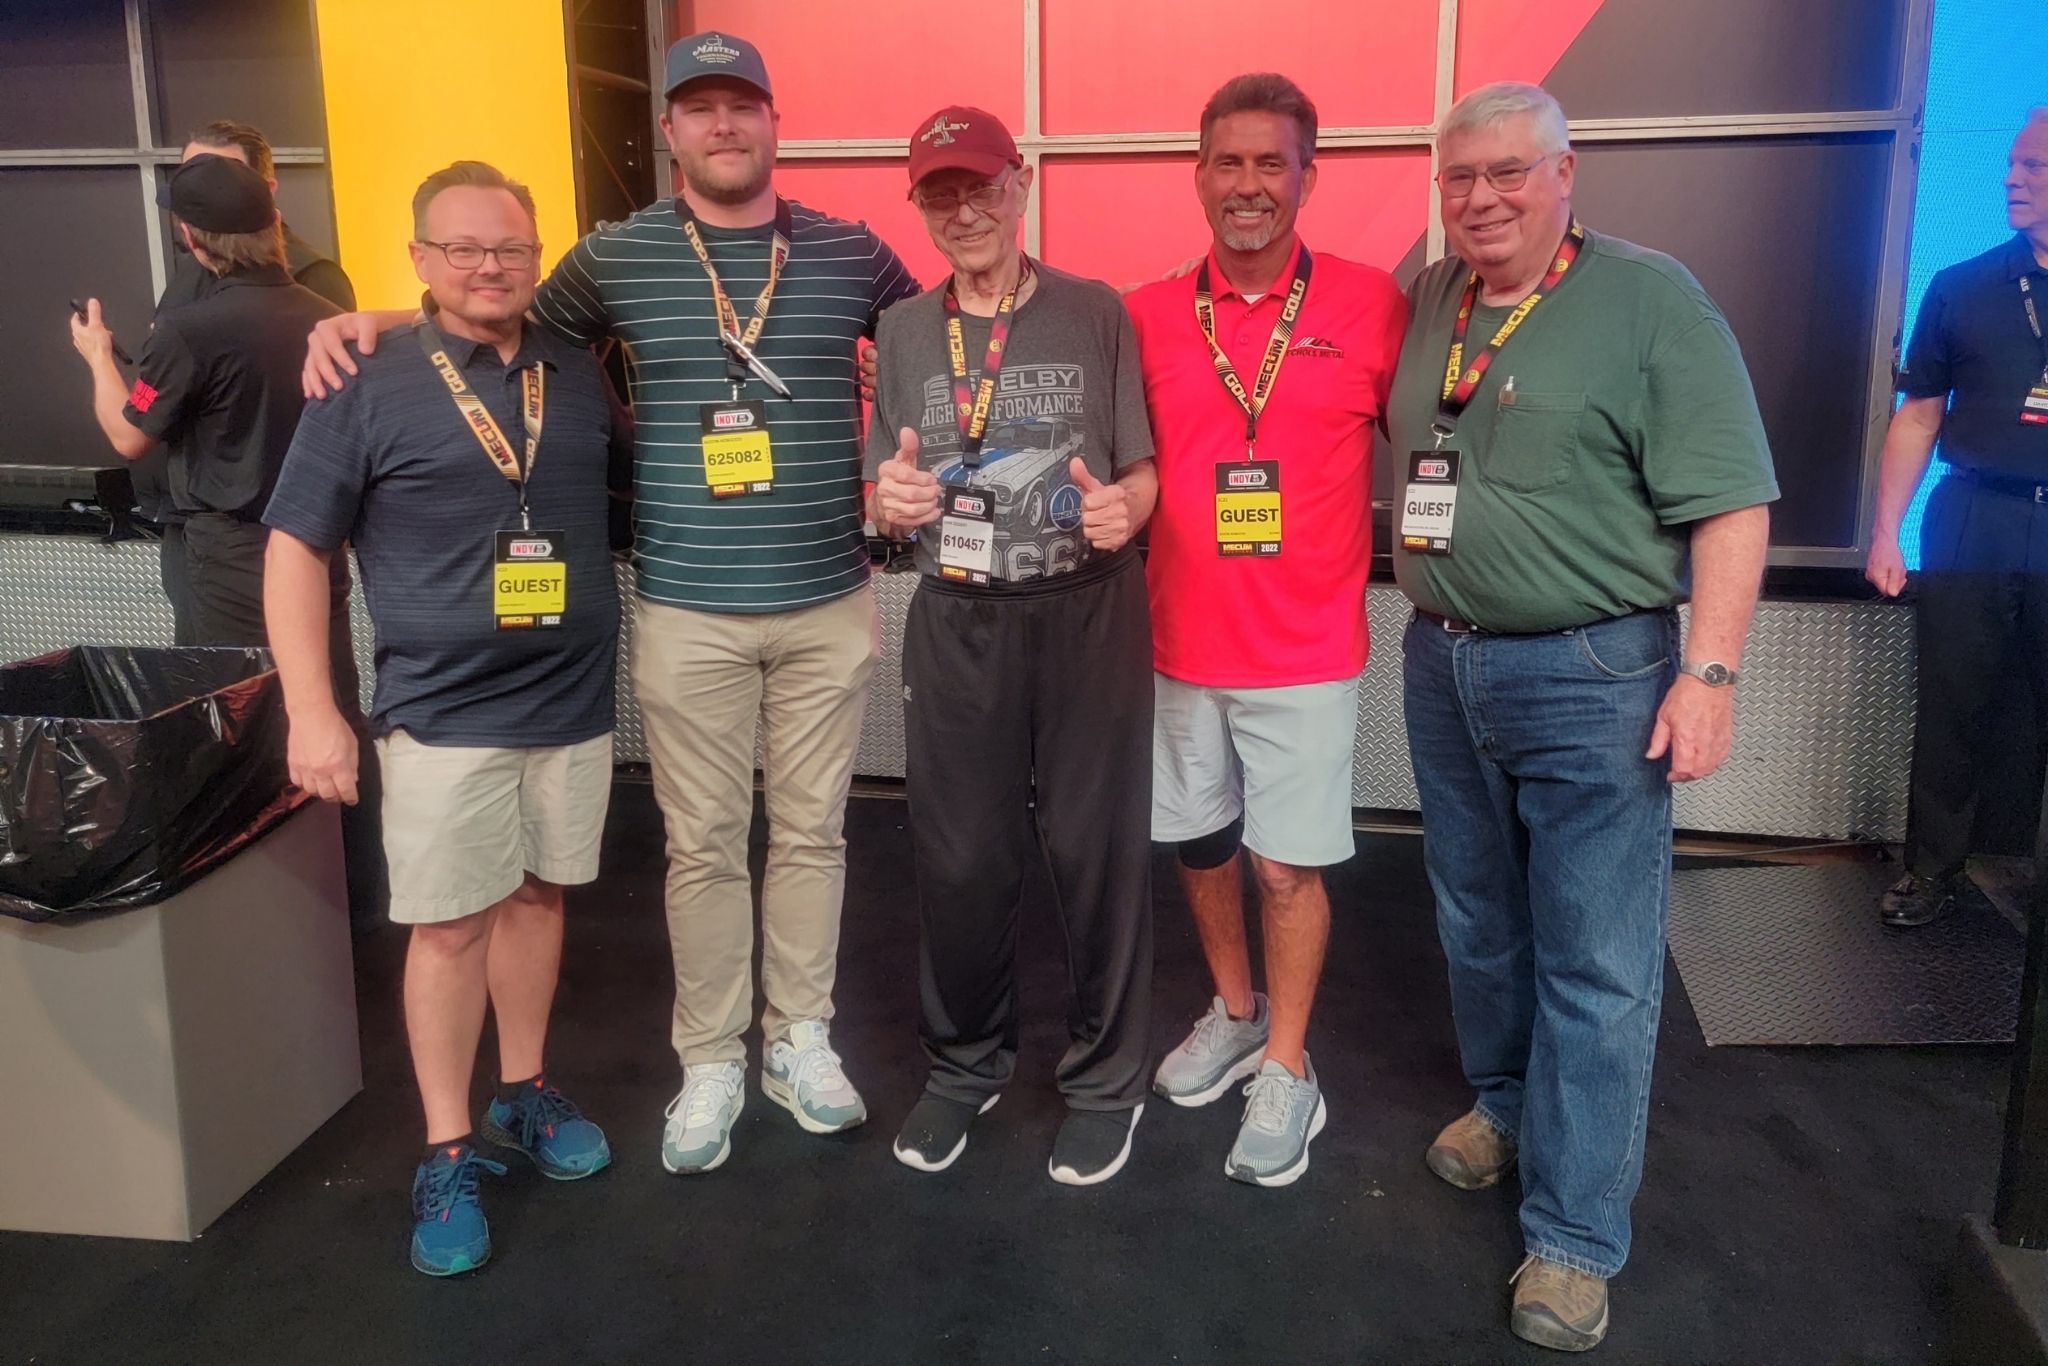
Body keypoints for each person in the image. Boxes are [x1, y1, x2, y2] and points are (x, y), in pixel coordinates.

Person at [302, 31, 919, 1174]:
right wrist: (376, 320)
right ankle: (711, 1060)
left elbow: (934, 345)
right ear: (671, 132)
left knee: (811, 836)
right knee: (698, 848)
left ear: (776, 125)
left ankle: (800, 1039)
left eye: (744, 105)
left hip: (829, 595)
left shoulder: (848, 253)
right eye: (701, 108)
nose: (724, 125)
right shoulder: (618, 255)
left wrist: (900, 466)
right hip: (685, 606)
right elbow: (493, 314)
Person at [1386, 82, 1777, 1352]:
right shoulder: (1431, 295)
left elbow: (1729, 502)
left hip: (1595, 675)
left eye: (1508, 173)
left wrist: (1706, 675)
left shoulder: (1648, 300)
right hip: (1442, 665)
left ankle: (1570, 1235)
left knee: (1596, 961)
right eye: (1459, 180)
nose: (1481, 199)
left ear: (1566, 174)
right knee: (1476, 920)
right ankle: (1504, 1107)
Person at [264, 161, 622, 1277]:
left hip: (569, 703)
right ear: (417, 259)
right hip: (439, 714)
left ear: (535, 257)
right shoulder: (365, 382)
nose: (487, 267)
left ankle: (521, 1091)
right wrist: (313, 711)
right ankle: (446, 1143)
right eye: (461, 248)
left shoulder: (572, 367)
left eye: (509, 249)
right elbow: (294, 548)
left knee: (536, 896)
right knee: (450, 925)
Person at [866, 106, 1158, 1185]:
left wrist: (1128, 507)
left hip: (1086, 611)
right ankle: (963, 1067)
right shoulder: (901, 331)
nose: (962, 209)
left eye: (979, 185)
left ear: (1021, 182)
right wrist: (887, 499)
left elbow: (1141, 467)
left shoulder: (1093, 311)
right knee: (958, 854)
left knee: (1095, 851)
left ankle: (1102, 1079)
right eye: (939, 194)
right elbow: (881, 485)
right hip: (955, 615)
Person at [1124, 74, 1407, 1188]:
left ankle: (1288, 1064)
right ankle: (1235, 1012)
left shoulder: (1369, 304)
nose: (1248, 185)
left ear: (1305, 177)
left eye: (1269, 164)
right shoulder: (1144, 313)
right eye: (1227, 163)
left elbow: (1448, 434)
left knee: (1286, 870)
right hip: (1176, 644)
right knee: (1198, 848)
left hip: (1303, 653)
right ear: (1197, 174)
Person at [69, 152, 386, 930]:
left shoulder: (186, 330)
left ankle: (257, 903)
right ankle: (352, 895)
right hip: (321, 557)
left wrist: (97, 357)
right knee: (327, 708)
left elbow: (129, 433)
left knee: (230, 725)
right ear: (273, 225)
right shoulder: (327, 316)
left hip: (230, 561)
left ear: (191, 238)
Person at [1866, 107, 2048, 928]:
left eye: (2034, 167)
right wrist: (1884, 532)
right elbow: (1918, 415)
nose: (2012, 177)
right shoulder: (1963, 284)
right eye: (2013, 164)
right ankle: (1930, 869)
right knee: (1953, 703)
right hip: (1976, 512)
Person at [138, 119, 357, 628]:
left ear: (266, 192)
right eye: (195, 173)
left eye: (223, 174)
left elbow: (332, 408)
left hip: (273, 527)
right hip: (191, 525)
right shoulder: (190, 278)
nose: (208, 189)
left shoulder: (317, 282)